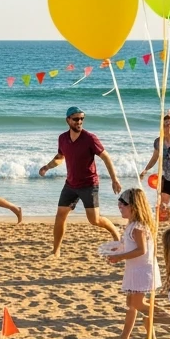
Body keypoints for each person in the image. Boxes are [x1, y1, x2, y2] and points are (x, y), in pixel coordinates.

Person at [38, 106, 122, 254]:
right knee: (60, 215)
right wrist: (47, 167)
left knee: (94, 220)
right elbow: (59, 158)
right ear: (68, 120)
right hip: (70, 184)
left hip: (89, 184)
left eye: (82, 118)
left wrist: (114, 179)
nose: (79, 122)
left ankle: (115, 232)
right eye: (76, 119)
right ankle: (56, 250)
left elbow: (106, 157)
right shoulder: (62, 138)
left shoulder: (90, 138)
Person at [106, 187, 161, 339]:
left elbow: (141, 250)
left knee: (137, 303)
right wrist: (116, 251)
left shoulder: (138, 227)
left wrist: (120, 257)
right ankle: (126, 335)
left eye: (123, 204)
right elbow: (128, 245)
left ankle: (163, 317)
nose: (120, 206)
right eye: (119, 203)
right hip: (134, 269)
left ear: (135, 207)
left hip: (142, 271)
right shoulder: (131, 225)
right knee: (130, 304)